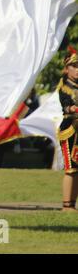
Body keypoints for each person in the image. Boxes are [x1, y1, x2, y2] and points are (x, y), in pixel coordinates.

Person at [57, 46, 78, 212]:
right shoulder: (65, 86)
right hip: (70, 129)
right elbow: (67, 106)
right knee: (70, 168)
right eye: (75, 66)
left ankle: (72, 204)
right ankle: (67, 205)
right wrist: (73, 109)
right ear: (67, 68)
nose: (77, 69)